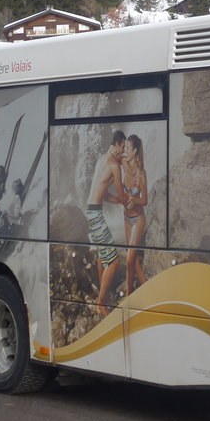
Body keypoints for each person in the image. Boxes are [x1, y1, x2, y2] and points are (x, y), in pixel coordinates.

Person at [88, 130, 127, 313]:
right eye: (123, 147)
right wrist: (130, 201)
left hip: (92, 211)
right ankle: (101, 304)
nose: (124, 151)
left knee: (102, 256)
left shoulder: (101, 160)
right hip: (96, 214)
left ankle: (102, 292)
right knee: (114, 261)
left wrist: (119, 201)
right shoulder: (113, 164)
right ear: (117, 144)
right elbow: (120, 192)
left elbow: (105, 195)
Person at [122, 134, 148, 296]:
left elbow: (144, 200)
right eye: (124, 147)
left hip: (138, 219)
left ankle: (129, 294)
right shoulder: (124, 165)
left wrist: (134, 199)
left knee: (130, 259)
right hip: (125, 218)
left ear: (135, 150)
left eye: (128, 148)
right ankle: (147, 289)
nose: (125, 150)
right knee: (135, 262)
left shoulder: (141, 174)